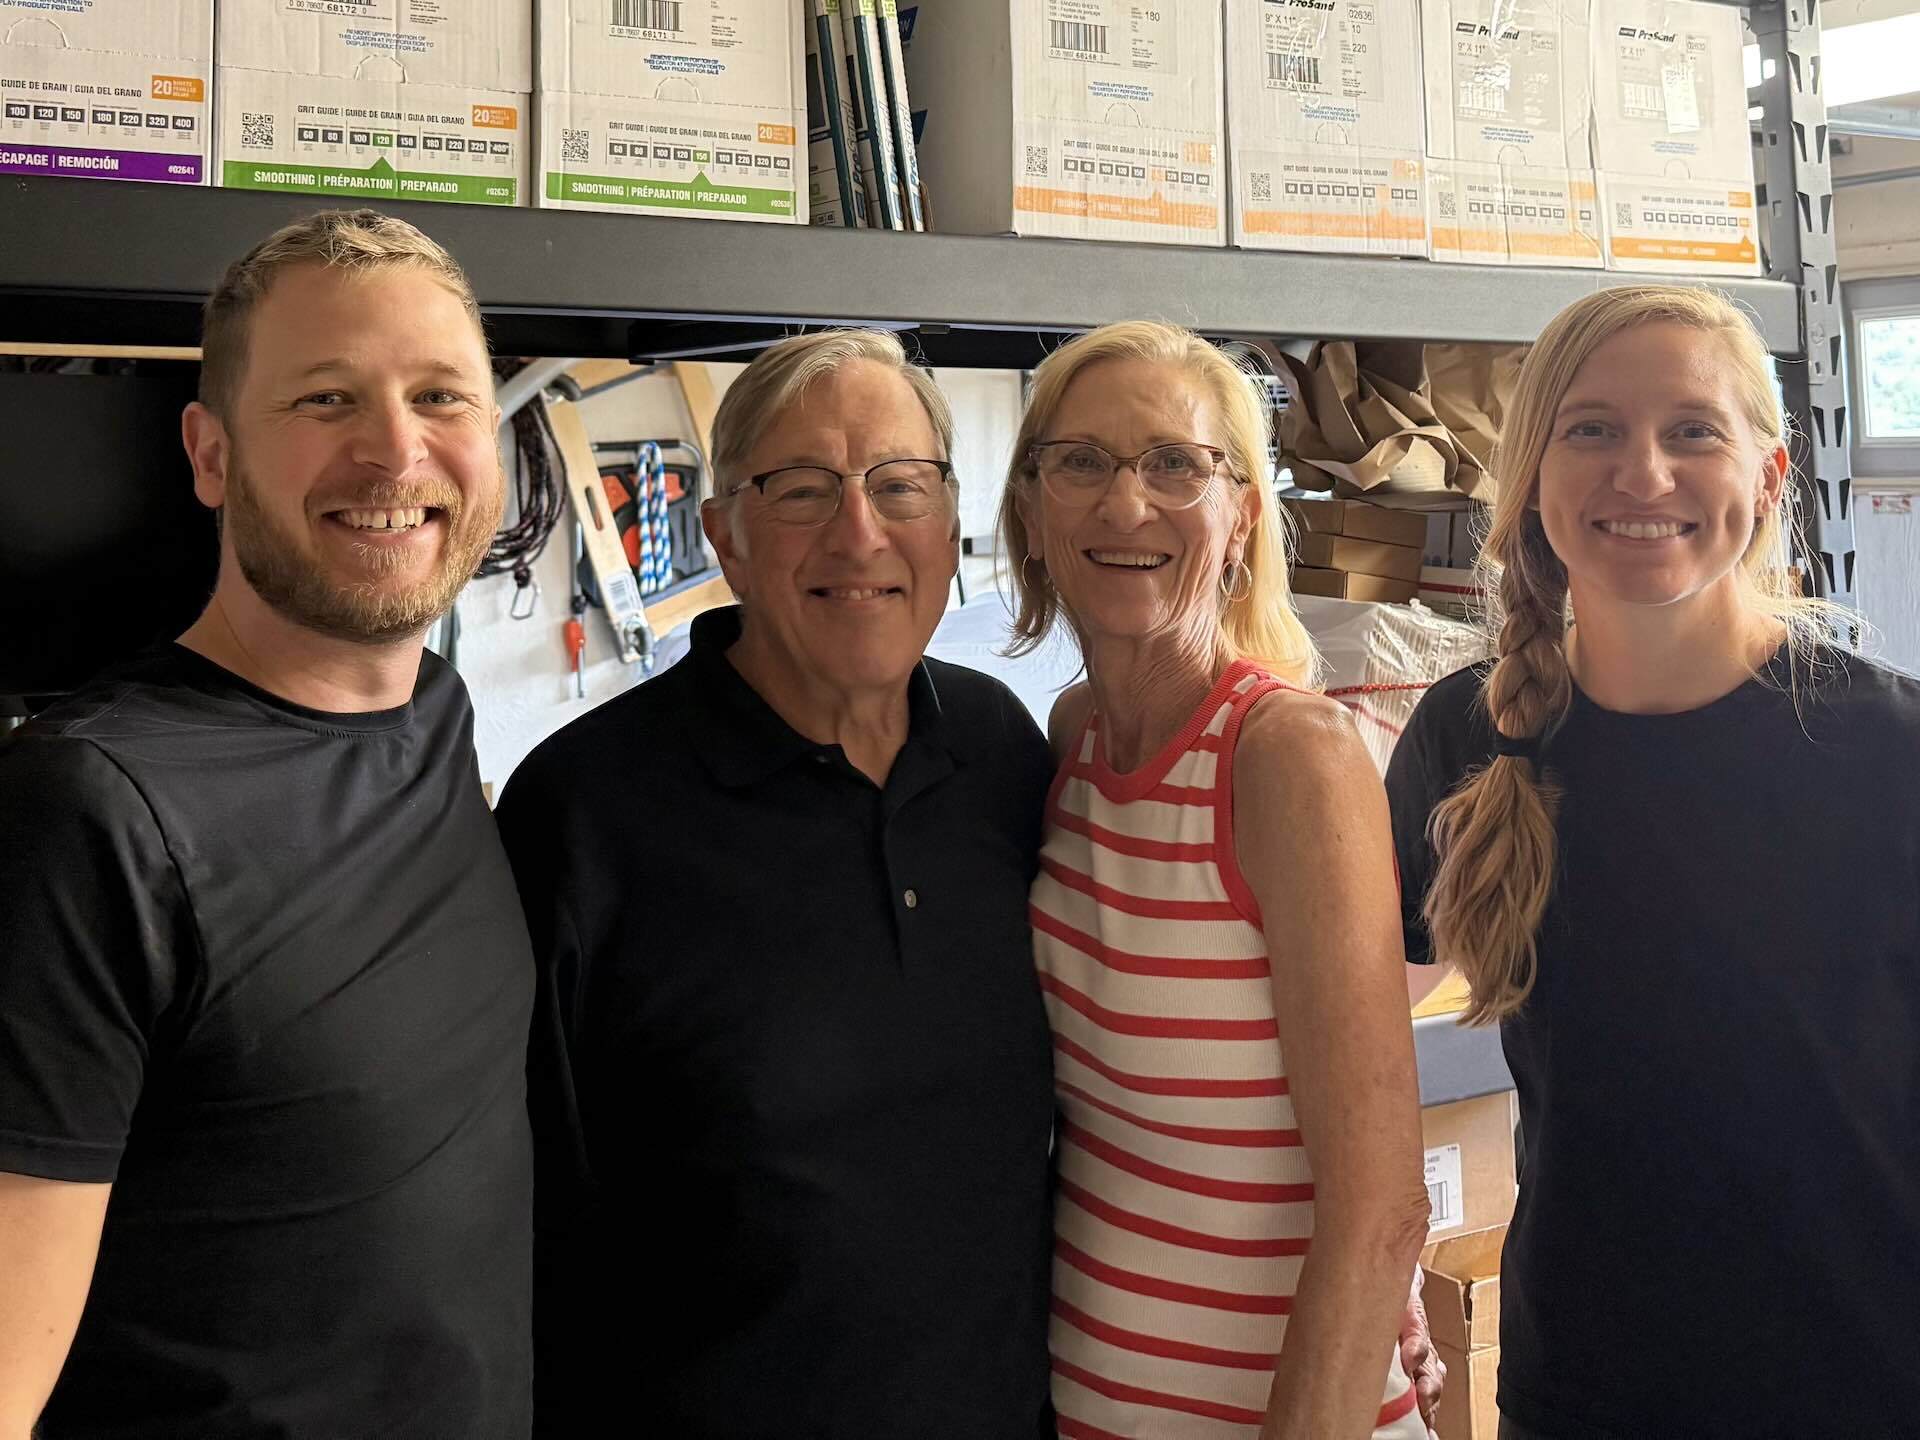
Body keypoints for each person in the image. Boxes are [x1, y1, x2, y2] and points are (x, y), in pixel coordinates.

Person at [0, 210, 533, 1438]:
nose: (395, 450)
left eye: (441, 396)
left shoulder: (432, 716)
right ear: (210, 453)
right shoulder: (91, 812)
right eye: (326, 400)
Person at [495, 330, 1057, 1437]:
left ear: (948, 521)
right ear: (727, 539)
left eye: (900, 485)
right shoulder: (583, 814)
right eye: (801, 489)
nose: (860, 533)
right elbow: (519, 1225)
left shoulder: (1000, 753)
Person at [1386, 285, 1920, 1439]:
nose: (1643, 473)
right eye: (1592, 429)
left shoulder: (1891, 750)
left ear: (1769, 479)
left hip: (1868, 1384)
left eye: (1692, 431)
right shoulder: (1469, 735)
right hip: (1584, 1391)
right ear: (1532, 477)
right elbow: (1363, 1026)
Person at [997, 320, 1437, 1440]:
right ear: (1031, 512)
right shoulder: (1072, 739)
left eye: (1174, 464)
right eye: (1081, 462)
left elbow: (1380, 1211)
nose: (1125, 503)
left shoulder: (1288, 757)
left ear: (1241, 513)